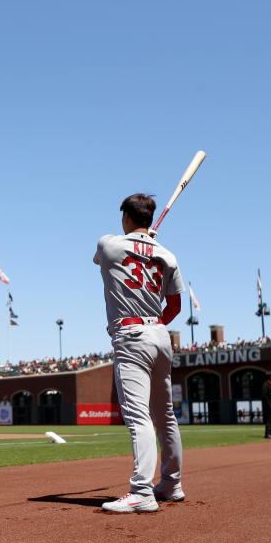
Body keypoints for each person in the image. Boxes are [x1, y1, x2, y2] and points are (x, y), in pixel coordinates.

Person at [93, 193, 185, 514]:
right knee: (165, 416)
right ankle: (172, 484)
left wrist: (138, 243)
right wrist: (149, 246)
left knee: (137, 417)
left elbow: (97, 260)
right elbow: (174, 306)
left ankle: (142, 492)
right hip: (160, 334)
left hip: (130, 335)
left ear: (127, 218)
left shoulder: (109, 244)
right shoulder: (168, 255)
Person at [262, 373, 271, 438]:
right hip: (268, 406)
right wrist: (269, 404)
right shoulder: (265, 385)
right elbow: (264, 396)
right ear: (269, 377)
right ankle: (267, 434)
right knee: (268, 420)